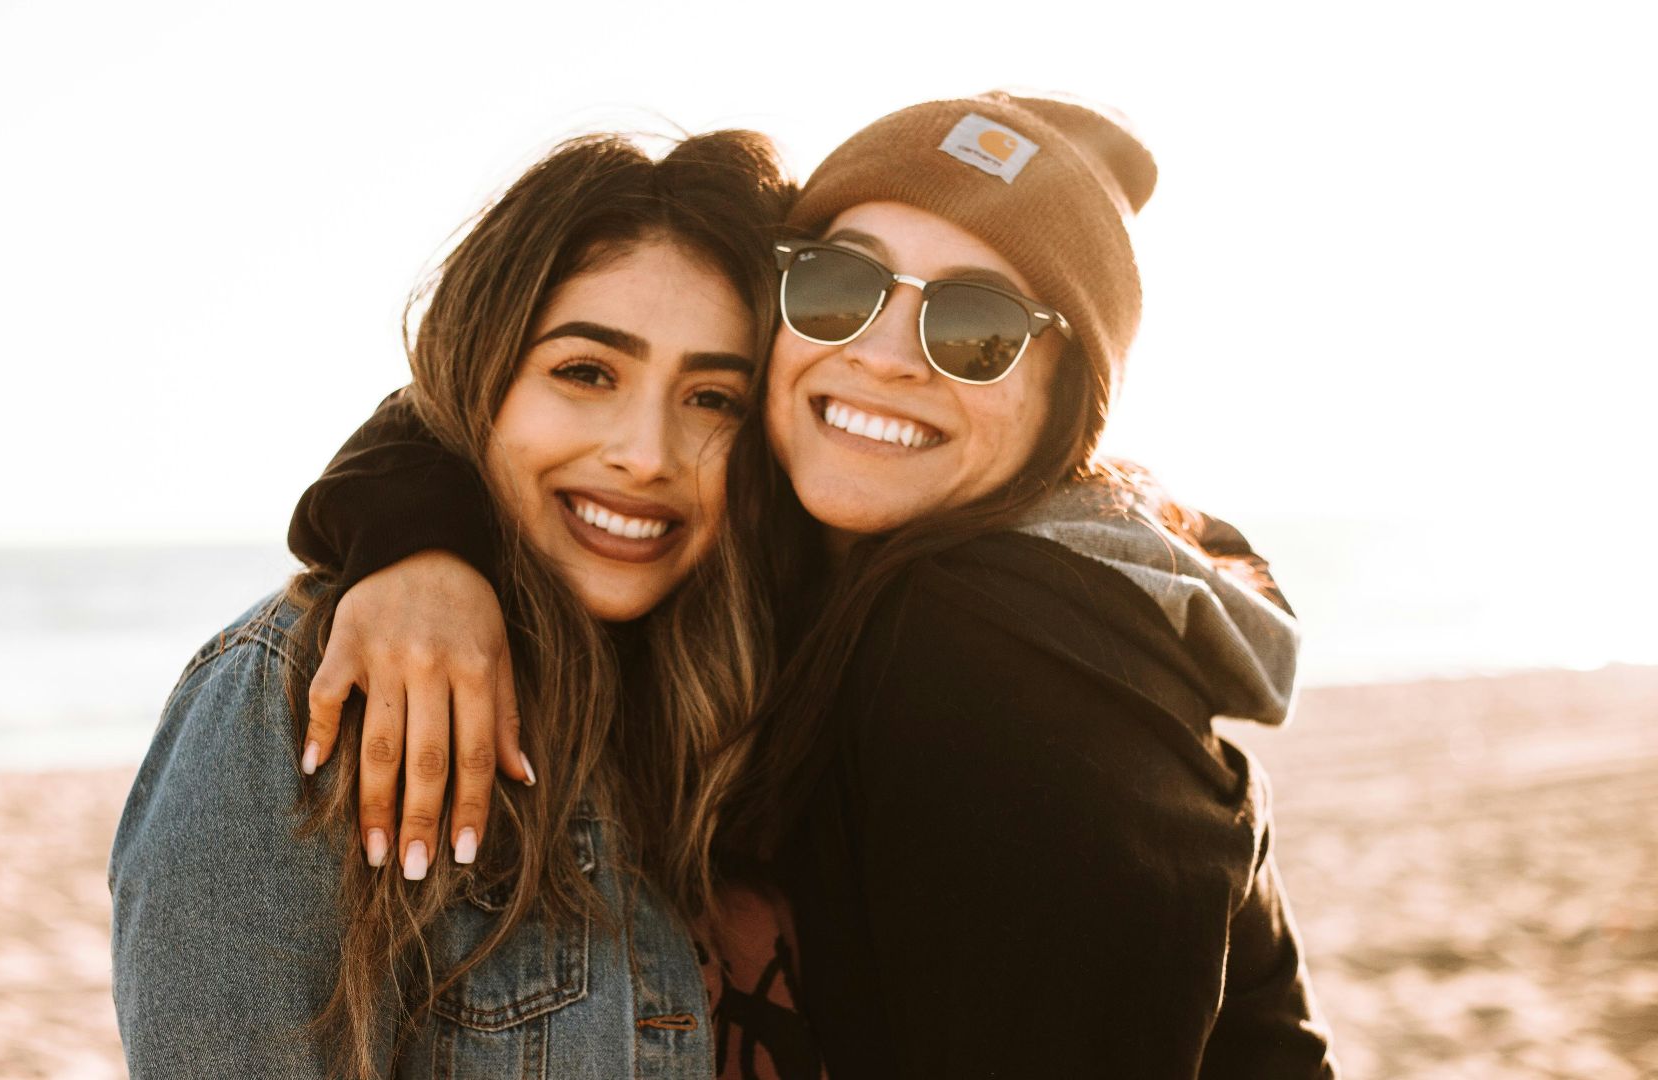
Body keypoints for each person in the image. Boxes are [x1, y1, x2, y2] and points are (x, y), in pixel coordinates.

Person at [280, 92, 1340, 1077]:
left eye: (978, 327)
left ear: (1069, 399)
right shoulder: (797, 544)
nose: (883, 355)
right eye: (841, 287)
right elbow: (487, 388)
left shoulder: (997, 639)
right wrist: (425, 546)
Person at [107, 128, 822, 1079]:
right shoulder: (298, 701)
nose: (647, 454)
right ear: (480, 380)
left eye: (713, 399)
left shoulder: (761, 687)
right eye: (586, 373)